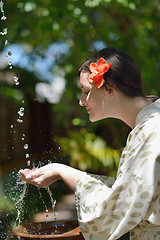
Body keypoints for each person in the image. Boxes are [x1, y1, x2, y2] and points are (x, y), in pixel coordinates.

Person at [20, 47, 160, 240]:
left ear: (110, 88)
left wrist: (64, 171)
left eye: (86, 91)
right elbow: (128, 191)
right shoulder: (150, 124)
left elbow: (112, 213)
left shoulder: (152, 131)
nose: (81, 101)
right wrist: (61, 170)